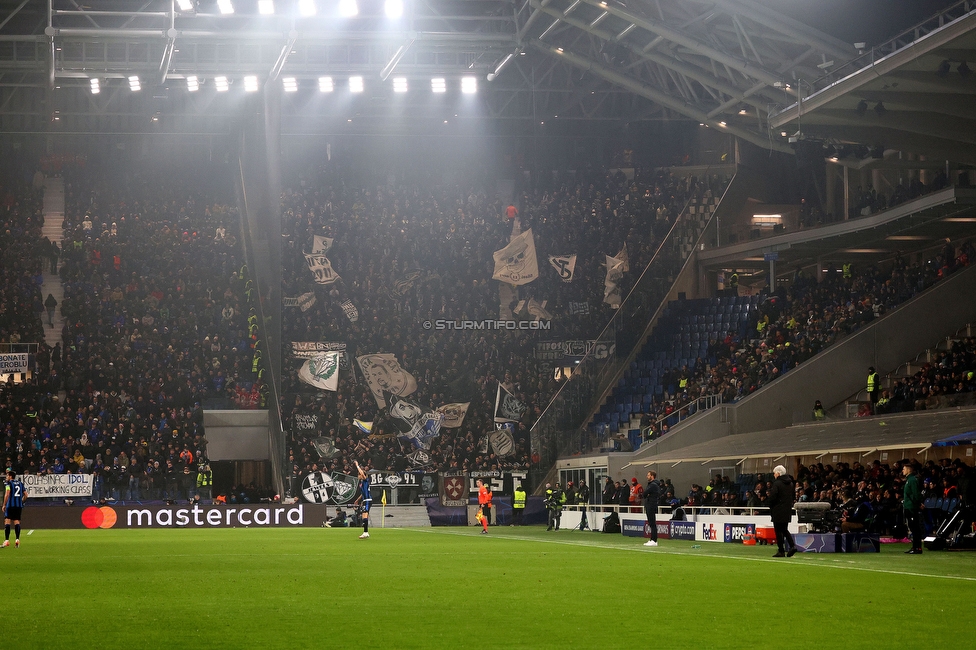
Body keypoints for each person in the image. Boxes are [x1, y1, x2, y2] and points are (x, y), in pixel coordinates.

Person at [767, 465, 797, 558]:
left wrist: (770, 504)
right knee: (784, 529)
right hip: (787, 509)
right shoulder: (790, 483)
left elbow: (773, 496)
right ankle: (792, 546)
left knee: (778, 530)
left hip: (778, 509)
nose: (774, 474)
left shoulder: (777, 483)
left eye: (775, 473)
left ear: (778, 473)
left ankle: (781, 550)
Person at [902, 462, 923, 554]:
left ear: (909, 470)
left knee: (915, 528)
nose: (903, 470)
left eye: (904, 468)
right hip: (908, 506)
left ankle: (917, 547)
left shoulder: (912, 480)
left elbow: (916, 494)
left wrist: (918, 504)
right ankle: (915, 547)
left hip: (912, 507)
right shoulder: (908, 480)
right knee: (912, 527)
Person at [3, 469, 27, 548]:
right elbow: (26, 495)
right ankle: (17, 539)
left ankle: (6, 541)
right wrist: (21, 502)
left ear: (10, 476)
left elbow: (7, 494)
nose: (6, 477)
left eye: (7, 476)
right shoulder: (20, 483)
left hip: (10, 505)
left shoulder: (8, 483)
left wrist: (4, 504)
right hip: (18, 506)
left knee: (7, 521)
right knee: (17, 522)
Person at [642, 470, 661, 547]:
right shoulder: (651, 485)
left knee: (652, 523)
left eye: (648, 475)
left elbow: (644, 493)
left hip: (651, 505)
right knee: (651, 523)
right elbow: (645, 494)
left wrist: (648, 494)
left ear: (652, 476)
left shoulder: (653, 485)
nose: (647, 476)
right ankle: (652, 539)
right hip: (649, 504)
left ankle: (654, 540)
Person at [354, 461, 371, 539]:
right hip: (365, 500)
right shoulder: (361, 483)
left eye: (359, 474)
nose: (358, 475)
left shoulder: (365, 480)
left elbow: (363, 475)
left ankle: (366, 532)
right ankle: (365, 532)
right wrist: (357, 500)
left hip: (368, 500)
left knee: (364, 515)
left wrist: (357, 466)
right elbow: (362, 493)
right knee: (364, 515)